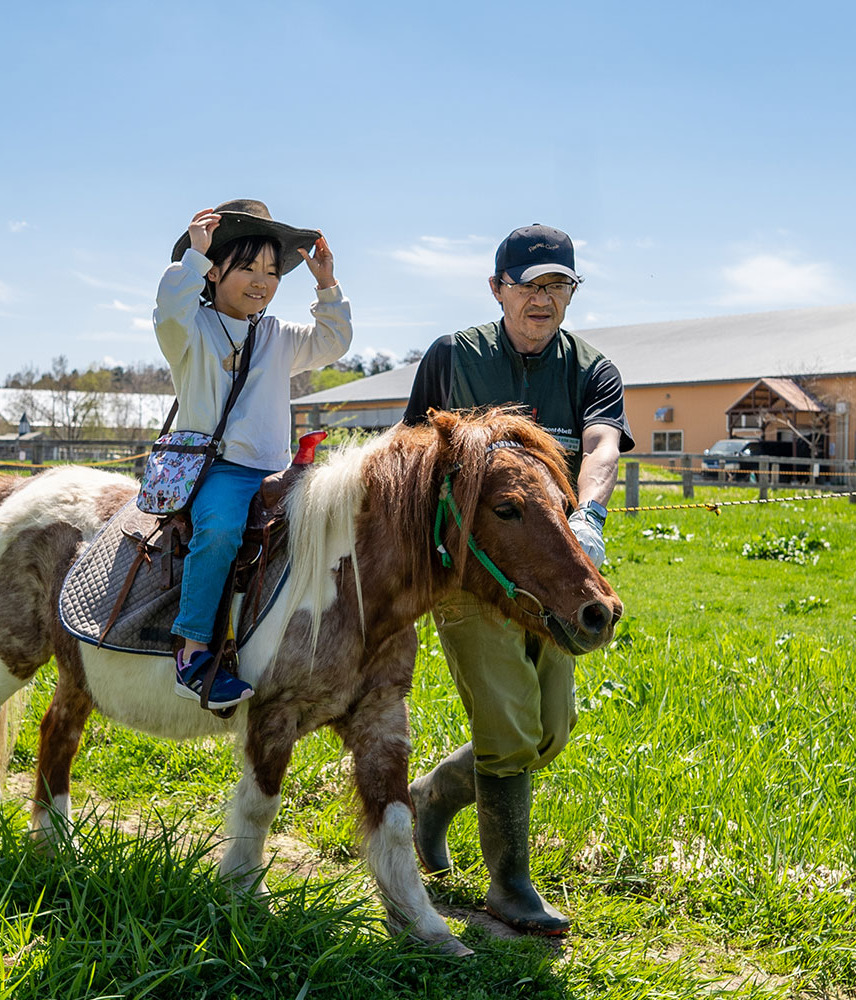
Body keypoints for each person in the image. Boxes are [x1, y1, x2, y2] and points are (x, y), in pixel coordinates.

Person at [403, 223, 633, 934]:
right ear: (497, 288)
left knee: (549, 732)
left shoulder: (591, 369)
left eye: (558, 285)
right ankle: (510, 888)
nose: (544, 298)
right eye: (530, 284)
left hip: (555, 574)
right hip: (473, 574)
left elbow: (600, 441)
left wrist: (587, 512)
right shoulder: (452, 357)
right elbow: (410, 451)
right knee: (507, 729)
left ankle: (430, 801)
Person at [154, 199, 352, 710]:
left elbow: (333, 342)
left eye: (272, 270)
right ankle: (194, 653)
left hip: (280, 468)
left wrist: (326, 285)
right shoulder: (190, 331)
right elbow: (168, 312)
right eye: (247, 267)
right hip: (219, 469)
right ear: (215, 271)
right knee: (218, 530)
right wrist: (194, 256)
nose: (262, 280)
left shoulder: (278, 335)